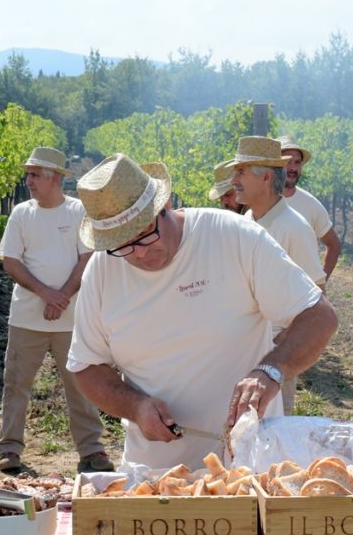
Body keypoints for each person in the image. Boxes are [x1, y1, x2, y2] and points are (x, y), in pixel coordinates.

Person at [67, 153, 338, 471]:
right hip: (155, 476)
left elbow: (319, 317)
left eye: (144, 235)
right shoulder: (102, 270)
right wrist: (136, 407)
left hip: (249, 469)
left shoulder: (232, 236)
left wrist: (271, 371)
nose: (139, 253)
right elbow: (85, 366)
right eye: (121, 245)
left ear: (164, 207)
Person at [0, 147, 114, 473]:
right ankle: (9, 451)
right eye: (29, 174)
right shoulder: (22, 213)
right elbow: (11, 261)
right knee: (16, 384)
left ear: (54, 178)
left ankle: (92, 451)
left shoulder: (78, 212)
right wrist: (47, 294)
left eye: (35, 174)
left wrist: (61, 296)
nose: (28, 180)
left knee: (82, 384)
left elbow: (87, 257)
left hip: (72, 318)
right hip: (27, 318)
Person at [229, 136, 326, 415]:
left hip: (272, 356)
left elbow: (317, 296)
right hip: (245, 348)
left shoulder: (294, 228)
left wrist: (281, 353)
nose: (234, 179)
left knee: (273, 427)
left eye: (241, 172)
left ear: (266, 177)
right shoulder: (246, 221)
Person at [277, 135, 342, 283]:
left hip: (301, 298)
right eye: (287, 162)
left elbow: (334, 244)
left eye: (297, 162)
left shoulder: (311, 205)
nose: (293, 168)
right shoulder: (259, 203)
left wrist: (319, 283)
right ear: (275, 165)